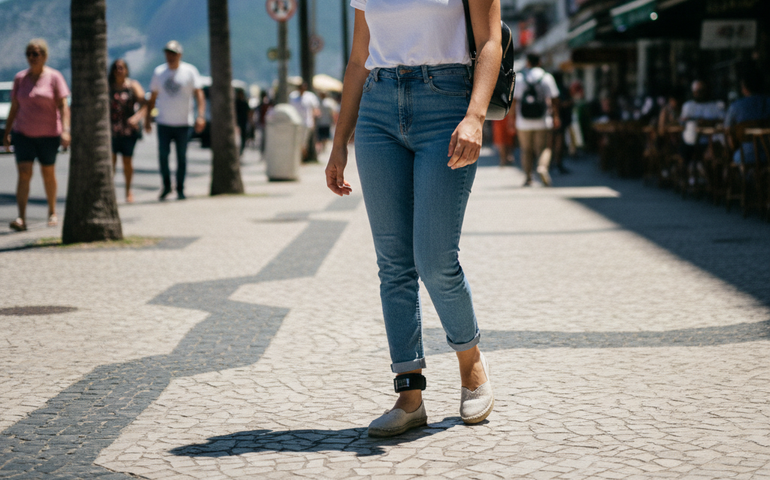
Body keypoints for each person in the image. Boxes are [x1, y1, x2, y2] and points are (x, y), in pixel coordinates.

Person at [325, 0, 501, 437]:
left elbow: (490, 42)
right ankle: (409, 395)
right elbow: (358, 58)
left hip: (446, 104)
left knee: (435, 258)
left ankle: (470, 364)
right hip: (378, 110)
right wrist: (339, 142)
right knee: (394, 264)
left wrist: (475, 117)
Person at [3, 39, 70, 232]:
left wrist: (66, 130)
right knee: (24, 173)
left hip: (49, 134)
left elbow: (63, 106)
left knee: (47, 173)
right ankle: (21, 217)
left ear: (44, 56)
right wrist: (7, 132)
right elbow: (14, 107)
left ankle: (52, 212)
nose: (33, 57)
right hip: (23, 133)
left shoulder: (54, 77)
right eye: (29, 54)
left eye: (37, 53)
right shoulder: (20, 79)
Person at [145, 40, 206, 200]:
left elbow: (199, 94)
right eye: (167, 53)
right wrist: (147, 118)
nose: (169, 56)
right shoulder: (159, 72)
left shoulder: (190, 71)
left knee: (182, 157)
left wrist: (200, 115)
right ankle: (166, 186)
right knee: (163, 156)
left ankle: (180, 188)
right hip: (164, 121)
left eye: (173, 53)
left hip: (183, 122)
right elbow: (153, 97)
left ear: (179, 55)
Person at [511, 53, 560, 187]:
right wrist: (556, 116)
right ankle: (542, 167)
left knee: (526, 149)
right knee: (544, 148)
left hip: (523, 121)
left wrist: (511, 120)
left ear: (527, 63)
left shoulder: (520, 78)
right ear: (540, 62)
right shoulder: (547, 77)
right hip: (543, 120)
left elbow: (514, 102)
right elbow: (554, 99)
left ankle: (528, 177)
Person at [108, 59, 146, 204]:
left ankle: (128, 190)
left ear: (126, 70)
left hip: (129, 130)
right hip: (111, 130)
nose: (119, 70)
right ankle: (110, 192)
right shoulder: (108, 86)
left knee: (127, 161)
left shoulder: (133, 86)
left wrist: (137, 118)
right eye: (116, 68)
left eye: (121, 67)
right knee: (111, 161)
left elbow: (145, 104)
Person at [678, 80, 725, 179]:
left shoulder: (715, 106)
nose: (699, 94)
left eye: (702, 91)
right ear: (693, 92)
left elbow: (723, 120)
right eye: (697, 91)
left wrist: (709, 122)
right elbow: (681, 123)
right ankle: (687, 178)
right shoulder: (688, 106)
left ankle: (714, 182)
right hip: (692, 142)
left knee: (717, 152)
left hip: (711, 141)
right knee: (684, 149)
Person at [724, 68, 770, 164]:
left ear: (744, 88)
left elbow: (727, 130)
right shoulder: (767, 102)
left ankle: (746, 176)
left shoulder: (735, 107)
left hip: (745, 156)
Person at [289, 82, 320, 162]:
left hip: (307, 123)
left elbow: (315, 109)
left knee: (303, 143)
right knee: (295, 141)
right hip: (295, 123)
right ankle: (298, 159)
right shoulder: (292, 96)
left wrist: (314, 121)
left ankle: (301, 159)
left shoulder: (310, 96)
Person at [315, 91, 338, 155]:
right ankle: (323, 148)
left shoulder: (318, 102)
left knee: (322, 136)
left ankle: (322, 148)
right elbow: (332, 113)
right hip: (325, 122)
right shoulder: (329, 103)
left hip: (322, 122)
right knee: (324, 136)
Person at [234, 88, 250, 156]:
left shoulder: (244, 103)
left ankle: (241, 151)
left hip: (243, 122)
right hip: (237, 123)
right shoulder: (236, 102)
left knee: (243, 137)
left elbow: (249, 112)